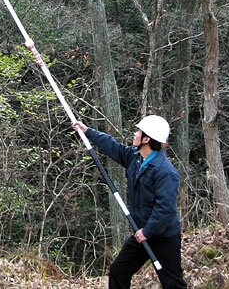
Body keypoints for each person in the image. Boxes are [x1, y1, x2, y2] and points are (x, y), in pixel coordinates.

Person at [72, 115, 187, 289]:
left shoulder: (166, 172)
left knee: (172, 282)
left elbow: (165, 209)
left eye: (139, 131)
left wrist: (148, 231)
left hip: (163, 235)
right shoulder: (135, 158)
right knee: (119, 271)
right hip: (141, 231)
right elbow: (113, 147)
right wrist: (87, 131)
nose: (135, 134)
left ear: (147, 139)